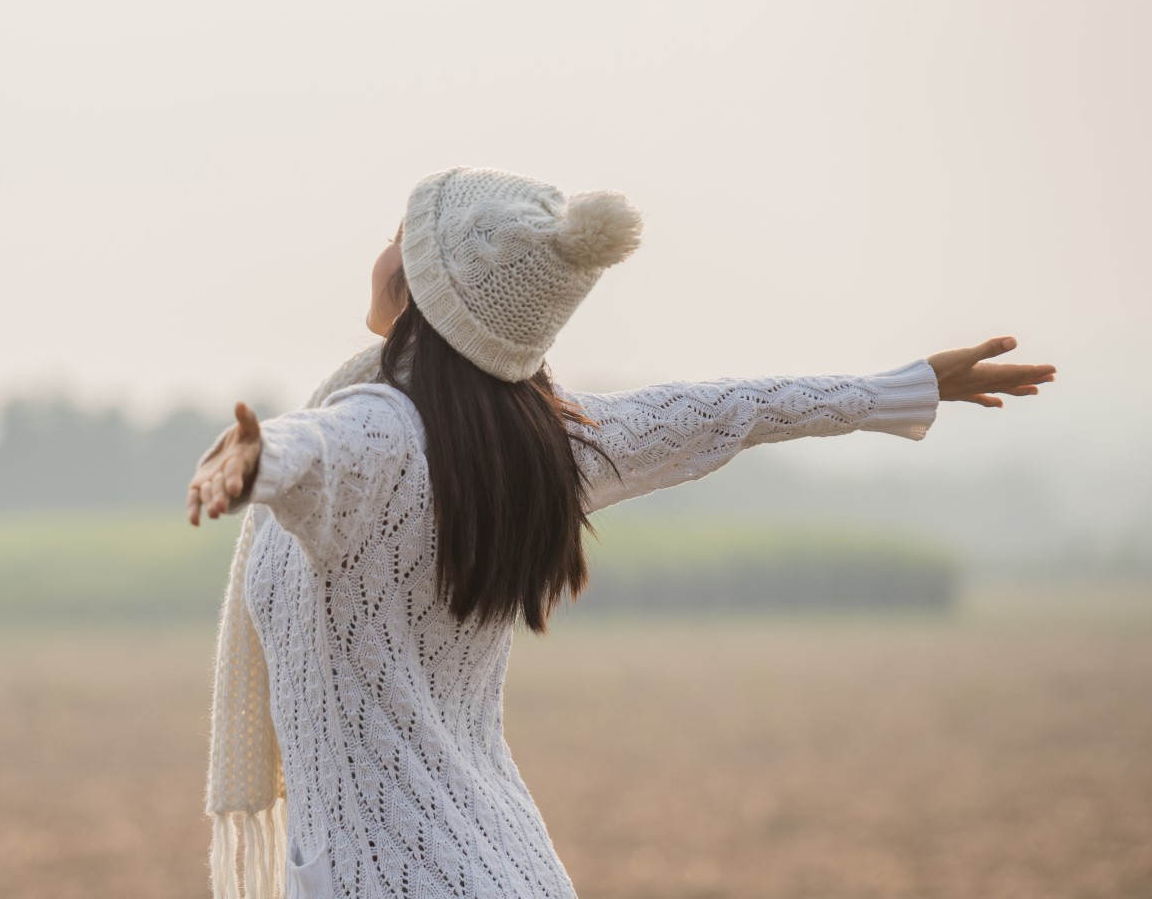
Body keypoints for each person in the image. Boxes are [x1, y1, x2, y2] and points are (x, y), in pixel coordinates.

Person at [185, 165, 1056, 899]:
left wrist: (256, 458)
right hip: (509, 870)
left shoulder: (372, 429)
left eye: (396, 237)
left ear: (409, 282)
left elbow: (321, 449)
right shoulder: (542, 447)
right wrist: (896, 389)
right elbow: (728, 410)